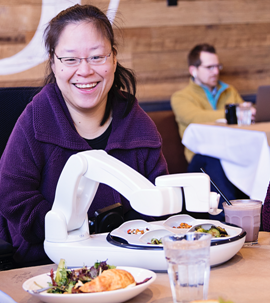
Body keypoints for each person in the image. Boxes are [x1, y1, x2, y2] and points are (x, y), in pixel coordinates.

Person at [0, 4, 168, 267]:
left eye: (97, 57)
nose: (85, 71)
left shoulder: (139, 126)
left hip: (129, 266)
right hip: (47, 266)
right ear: (54, 64)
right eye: (70, 59)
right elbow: (12, 195)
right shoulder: (36, 119)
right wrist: (72, 232)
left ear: (113, 59)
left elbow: (157, 202)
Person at [171, 43, 250, 220]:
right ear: (193, 70)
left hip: (233, 155)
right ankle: (231, 221)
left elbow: (246, 118)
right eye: (209, 67)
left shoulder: (230, 91)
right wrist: (235, 112)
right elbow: (195, 117)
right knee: (213, 160)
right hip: (200, 159)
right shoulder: (181, 97)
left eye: (217, 66)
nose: (216, 71)